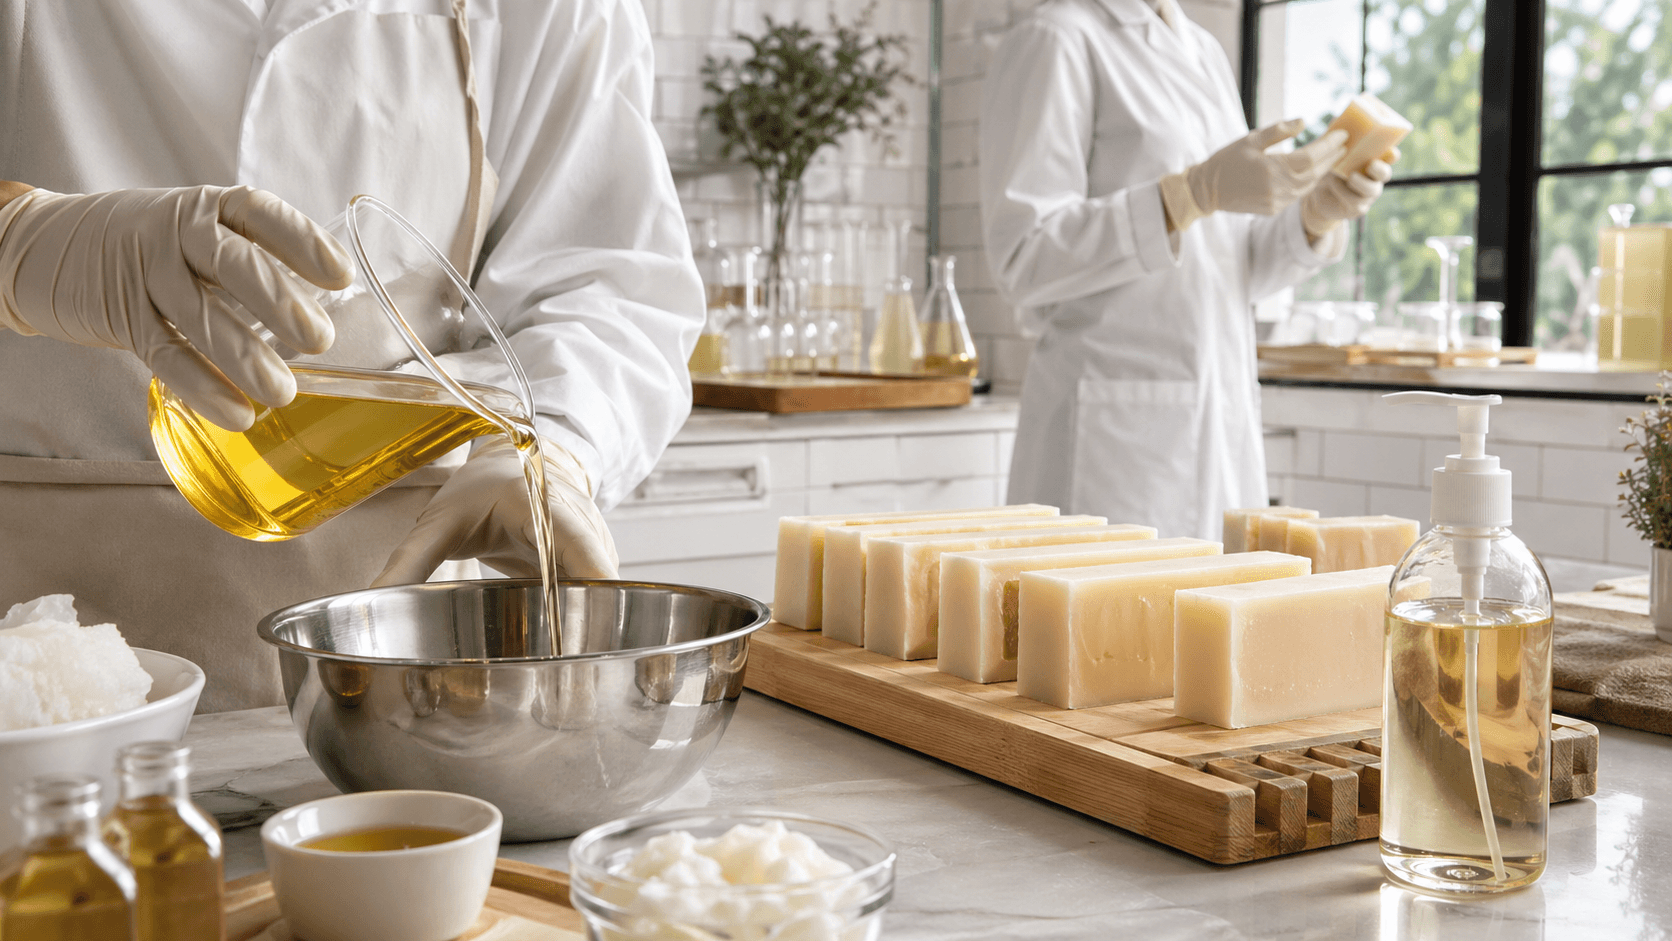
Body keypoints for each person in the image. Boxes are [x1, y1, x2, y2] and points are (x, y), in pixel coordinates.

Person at [0, 0, 703, 711]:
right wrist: (16, 246)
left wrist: (552, 439)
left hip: (406, 659)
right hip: (38, 661)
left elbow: (605, 275)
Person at [980, 0, 1394, 540]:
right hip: (1109, 449)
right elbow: (1023, 256)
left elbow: (1227, 271)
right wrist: (1188, 194)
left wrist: (1315, 217)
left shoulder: (1202, 50)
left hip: (1220, 425)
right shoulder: (1056, 36)